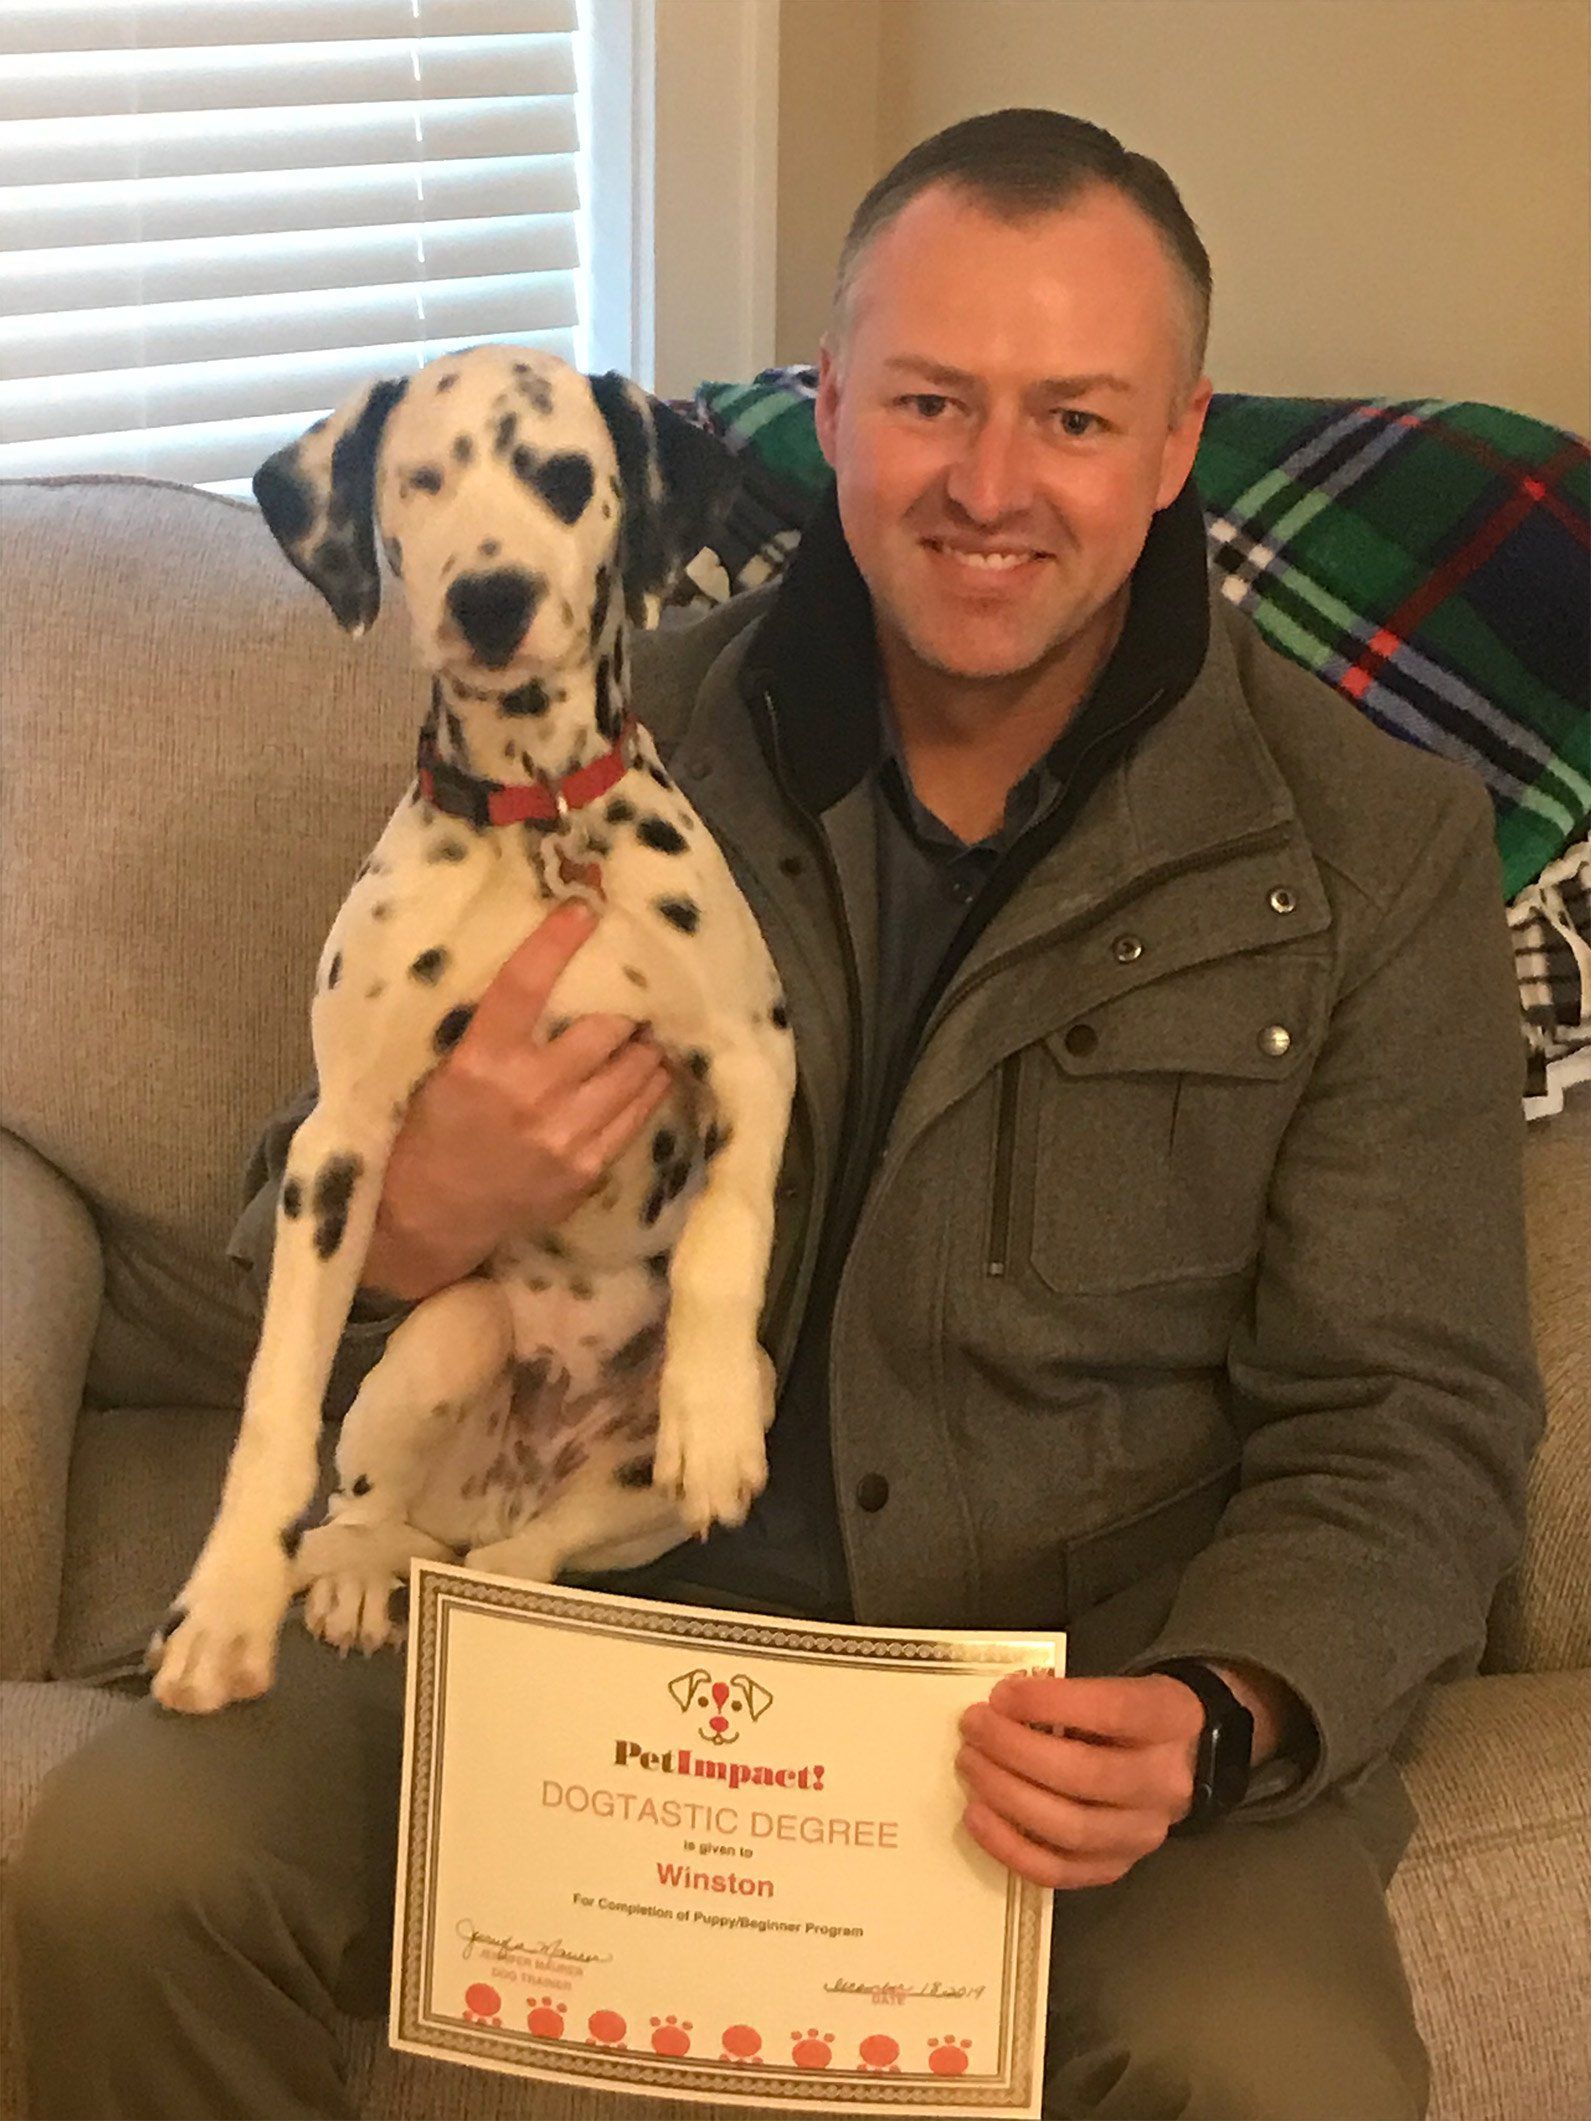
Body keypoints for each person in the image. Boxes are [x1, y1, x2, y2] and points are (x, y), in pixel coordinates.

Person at [16, 108, 1542, 2120]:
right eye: (928, 401)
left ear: (1176, 446)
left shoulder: (1370, 849)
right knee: (119, 1869)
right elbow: (281, 1210)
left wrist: (1222, 1702)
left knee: (1279, 2067)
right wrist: (419, 1215)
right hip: (556, 1582)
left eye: (1074, 419)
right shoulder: (594, 742)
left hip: (1065, 1670)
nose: (989, 486)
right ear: (830, 411)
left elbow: (1410, 1416)